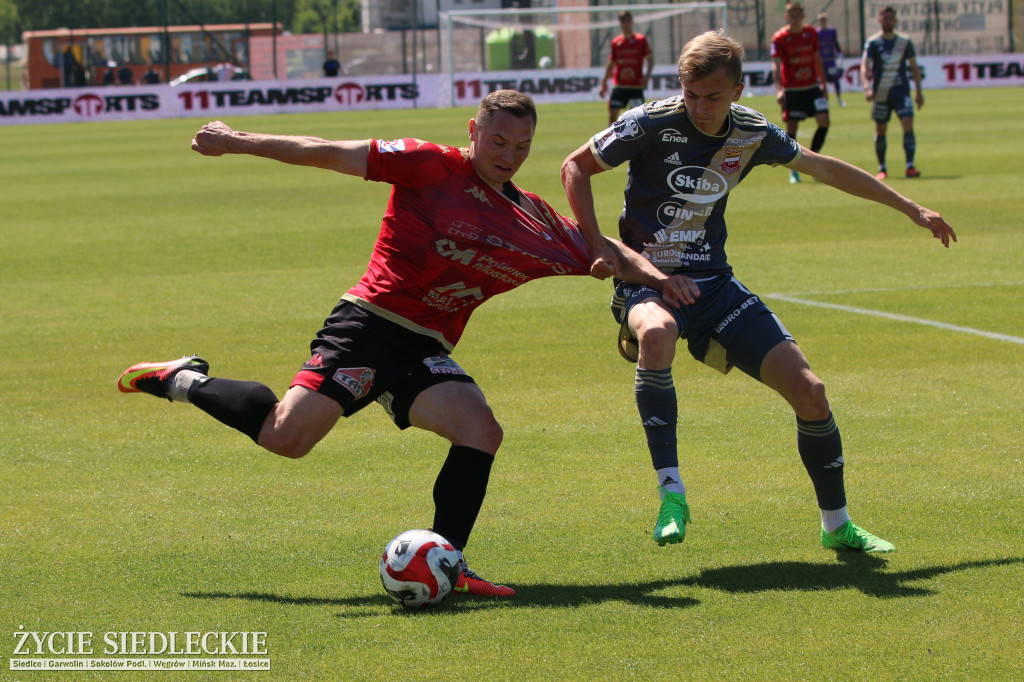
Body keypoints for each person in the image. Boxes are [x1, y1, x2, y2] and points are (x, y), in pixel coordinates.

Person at [118, 90, 693, 598]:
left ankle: (448, 562)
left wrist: (660, 281)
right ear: (473, 131)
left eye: (521, 146)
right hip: (370, 325)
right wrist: (234, 140)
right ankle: (181, 379)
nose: (508, 154)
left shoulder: (532, 219)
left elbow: (610, 249)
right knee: (285, 438)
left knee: (480, 430)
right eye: (497, 140)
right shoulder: (428, 165)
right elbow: (326, 150)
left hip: (424, 347)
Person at [561, 30, 956, 555]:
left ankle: (837, 525)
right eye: (690, 93)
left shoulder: (751, 132)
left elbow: (823, 167)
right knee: (657, 333)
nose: (700, 107)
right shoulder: (649, 121)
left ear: (739, 91)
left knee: (811, 393)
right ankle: (672, 494)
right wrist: (600, 248)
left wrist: (911, 208)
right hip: (646, 280)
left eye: (713, 97)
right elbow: (575, 167)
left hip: (715, 287)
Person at [861, 5, 925, 179]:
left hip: (901, 92)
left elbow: (913, 67)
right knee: (881, 129)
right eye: (885, 18)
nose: (888, 21)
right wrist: (867, 86)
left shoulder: (904, 41)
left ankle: (910, 166)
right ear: (880, 20)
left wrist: (919, 92)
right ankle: (882, 168)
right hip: (881, 93)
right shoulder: (873, 42)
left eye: (891, 18)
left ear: (895, 21)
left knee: (908, 125)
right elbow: (865, 65)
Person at [771, 2, 830, 184]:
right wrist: (779, 90)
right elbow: (776, 65)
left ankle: (812, 160)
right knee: (792, 129)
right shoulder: (780, 37)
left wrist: (824, 84)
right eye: (792, 15)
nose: (795, 18)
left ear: (803, 16)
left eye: (798, 14)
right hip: (792, 89)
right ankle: (793, 170)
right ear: (787, 17)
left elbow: (816, 58)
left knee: (824, 122)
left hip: (812, 86)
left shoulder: (811, 33)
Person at [599, 11, 654, 125]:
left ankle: (634, 141)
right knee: (612, 114)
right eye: (623, 21)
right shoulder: (616, 42)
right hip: (620, 85)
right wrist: (604, 82)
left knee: (637, 117)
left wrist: (646, 77)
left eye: (628, 21)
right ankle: (611, 139)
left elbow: (650, 60)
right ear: (620, 23)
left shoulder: (640, 40)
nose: (626, 24)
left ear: (632, 22)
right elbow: (611, 63)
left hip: (636, 85)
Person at [816, 13, 845, 107]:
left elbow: (835, 43)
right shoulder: (816, 32)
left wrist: (840, 56)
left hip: (830, 60)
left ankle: (839, 99)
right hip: (821, 61)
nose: (823, 21)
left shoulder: (832, 31)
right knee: (821, 82)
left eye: (824, 19)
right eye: (821, 20)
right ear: (819, 21)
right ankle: (824, 100)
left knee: (836, 80)